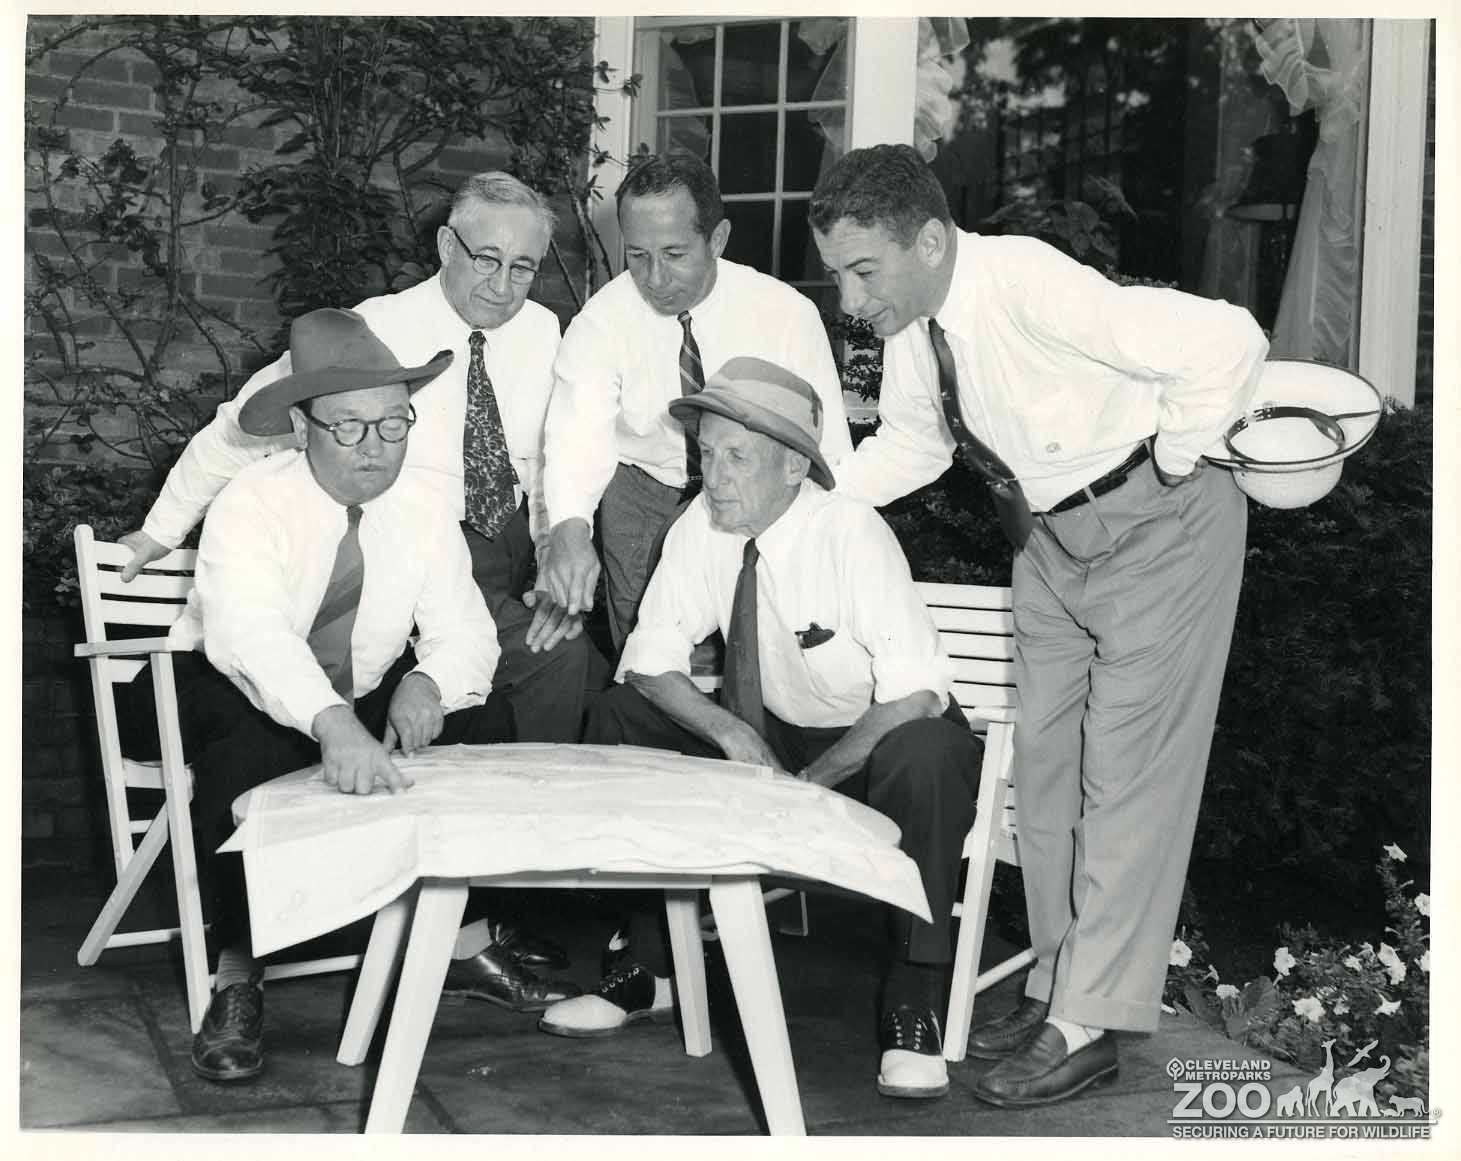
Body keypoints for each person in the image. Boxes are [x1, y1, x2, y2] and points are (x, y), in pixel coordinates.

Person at [808, 144, 1267, 1106]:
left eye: (863, 271)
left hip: (1159, 527)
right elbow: (914, 445)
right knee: (1048, 775)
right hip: (1049, 544)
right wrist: (811, 503)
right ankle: (1059, 980)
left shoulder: (1026, 282)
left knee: (1126, 780)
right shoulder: (916, 329)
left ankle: (1089, 1022)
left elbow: (1226, 338)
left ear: (929, 242)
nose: (850, 300)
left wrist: (1175, 461)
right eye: (839, 276)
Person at [116, 172, 599, 1007]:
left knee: (485, 718)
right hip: (228, 674)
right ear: (305, 425)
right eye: (349, 425)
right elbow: (249, 629)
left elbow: (470, 614)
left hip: (427, 601)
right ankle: (237, 971)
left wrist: (430, 680)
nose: (501, 284)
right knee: (252, 746)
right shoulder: (271, 478)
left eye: (522, 267)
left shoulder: (421, 496)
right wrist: (157, 534)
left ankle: (467, 932)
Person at [536, 357, 983, 1102]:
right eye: (707, 453)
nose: (714, 476)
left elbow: (915, 697)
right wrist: (732, 736)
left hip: (875, 743)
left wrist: (811, 784)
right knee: (618, 719)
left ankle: (915, 1001)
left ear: (792, 468)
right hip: (770, 732)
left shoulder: (850, 532)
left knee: (930, 754)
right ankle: (650, 964)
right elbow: (647, 663)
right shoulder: (701, 526)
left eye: (737, 458)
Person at [539, 153, 854, 654]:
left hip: (757, 487)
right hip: (645, 492)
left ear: (718, 239)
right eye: (637, 255)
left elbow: (828, 448)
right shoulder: (601, 322)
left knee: (762, 647)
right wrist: (570, 528)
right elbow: (577, 437)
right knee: (648, 653)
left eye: (674, 254)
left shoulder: (786, 315)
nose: (654, 278)